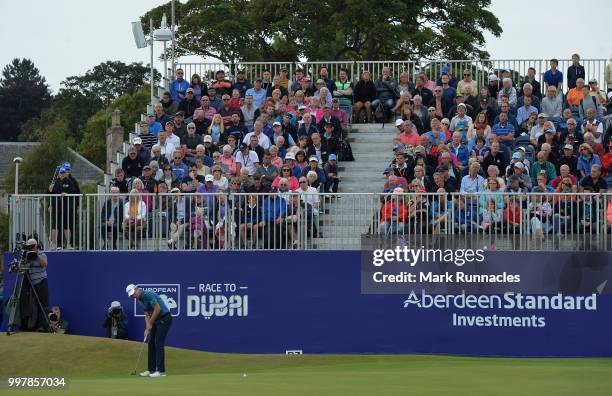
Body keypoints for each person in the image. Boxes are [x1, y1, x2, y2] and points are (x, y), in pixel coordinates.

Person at [126, 284, 172, 377]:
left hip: (164, 317)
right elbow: (147, 313)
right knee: (151, 343)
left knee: (158, 342)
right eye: (131, 296)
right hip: (156, 319)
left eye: (133, 293)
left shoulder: (148, 294)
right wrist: (147, 327)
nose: (133, 296)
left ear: (137, 289)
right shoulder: (140, 300)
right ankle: (151, 369)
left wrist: (150, 323)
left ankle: (160, 371)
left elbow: (157, 309)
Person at [11, 238, 48, 331]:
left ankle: (42, 326)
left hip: (41, 282)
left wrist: (36, 255)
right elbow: (20, 268)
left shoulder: (41, 254)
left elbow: (44, 264)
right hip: (29, 284)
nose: (31, 248)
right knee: (28, 304)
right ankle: (26, 325)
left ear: (36, 245)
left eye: (33, 246)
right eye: (30, 246)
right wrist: (14, 267)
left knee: (42, 304)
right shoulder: (25, 255)